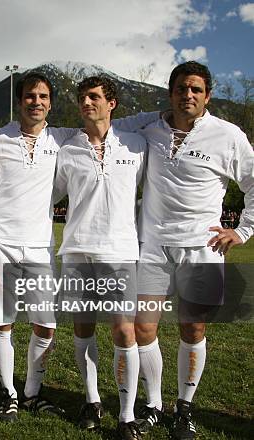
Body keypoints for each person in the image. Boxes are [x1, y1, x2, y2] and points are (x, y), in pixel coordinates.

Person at [130, 61, 254, 440]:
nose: (189, 95)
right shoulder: (147, 127)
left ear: (208, 96)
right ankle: (152, 405)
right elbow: (103, 122)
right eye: (182, 88)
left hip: (202, 249)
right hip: (151, 245)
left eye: (196, 90)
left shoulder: (227, 135)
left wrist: (244, 231)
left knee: (193, 327)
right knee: (142, 327)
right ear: (171, 93)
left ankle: (184, 407)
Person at [0, 72, 78, 422]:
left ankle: (33, 393)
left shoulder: (64, 139)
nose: (37, 102)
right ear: (20, 101)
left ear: (51, 102)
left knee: (45, 325)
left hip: (39, 247)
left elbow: (109, 125)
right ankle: (8, 393)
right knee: (3, 324)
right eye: (30, 96)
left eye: (44, 96)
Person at [53, 76, 147, 440]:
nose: (86, 103)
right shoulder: (67, 149)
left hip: (121, 251)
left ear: (113, 104)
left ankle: (126, 416)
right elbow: (49, 194)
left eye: (94, 97)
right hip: (77, 249)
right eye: (82, 98)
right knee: (83, 326)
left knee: (124, 330)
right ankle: (91, 400)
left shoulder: (138, 145)